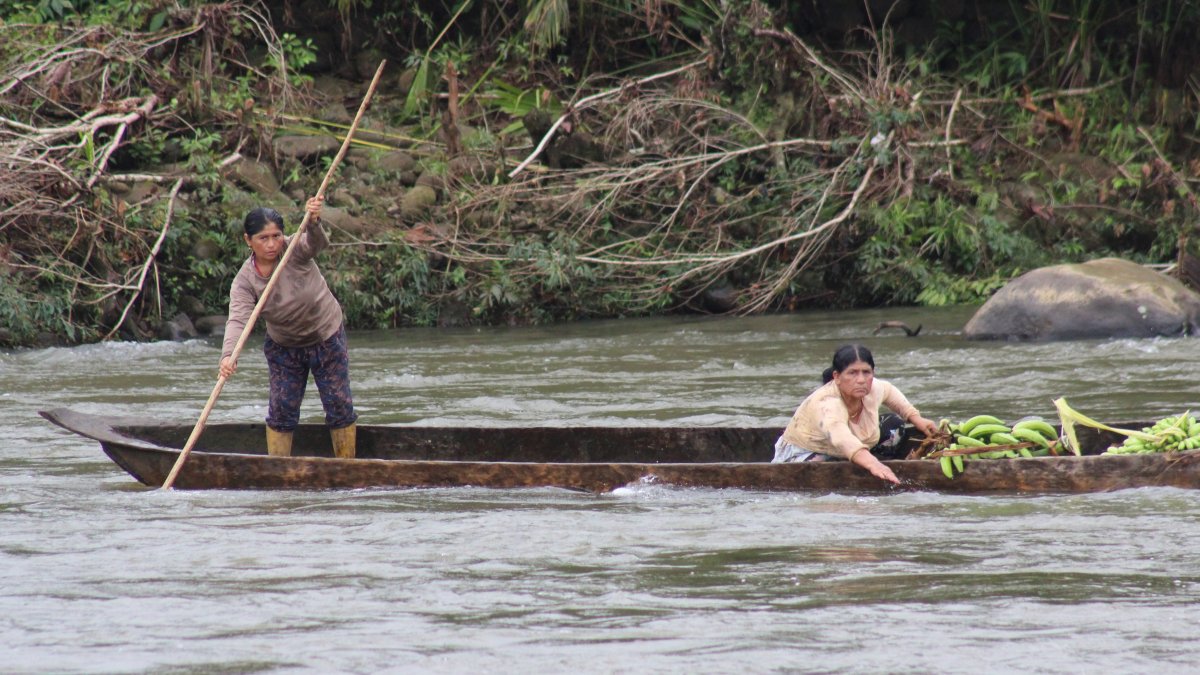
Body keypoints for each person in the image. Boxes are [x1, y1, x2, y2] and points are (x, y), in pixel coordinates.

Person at [218, 195, 358, 459]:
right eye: (263, 238)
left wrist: (314, 222)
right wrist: (228, 355)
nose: (272, 244)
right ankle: (278, 468)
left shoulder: (293, 249)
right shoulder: (245, 281)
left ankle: (347, 466)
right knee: (282, 409)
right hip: (285, 347)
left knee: (338, 404)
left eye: (276, 236)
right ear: (248, 240)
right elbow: (238, 320)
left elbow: (317, 243)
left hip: (326, 336)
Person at [772, 344, 938, 484]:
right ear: (837, 377)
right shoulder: (827, 403)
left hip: (852, 448)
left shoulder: (872, 388)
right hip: (808, 454)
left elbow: (889, 391)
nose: (861, 380)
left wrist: (917, 419)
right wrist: (874, 465)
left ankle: (867, 463)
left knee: (894, 425)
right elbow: (841, 438)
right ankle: (870, 466)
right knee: (821, 468)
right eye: (852, 373)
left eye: (866, 372)